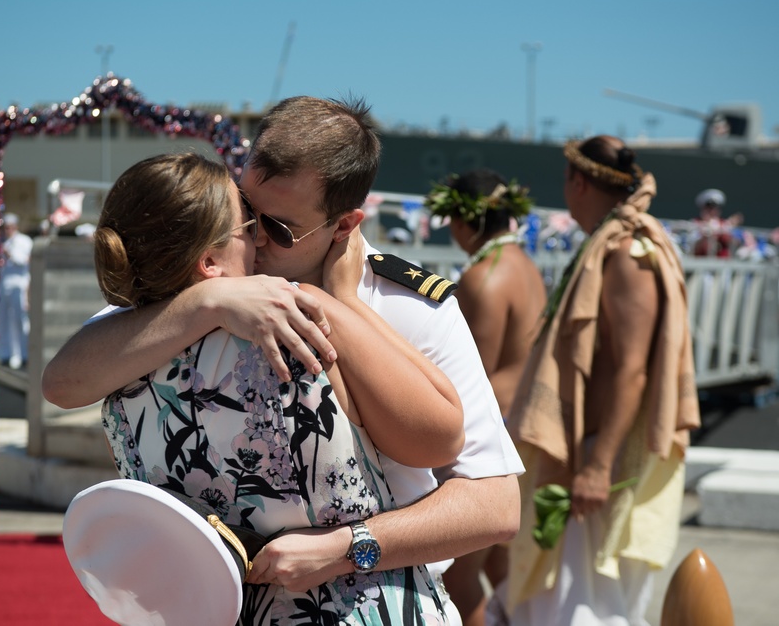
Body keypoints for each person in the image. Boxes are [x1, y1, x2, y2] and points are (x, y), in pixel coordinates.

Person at [42, 96, 524, 620]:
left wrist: (347, 549)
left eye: (280, 228)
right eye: (248, 212)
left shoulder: (408, 307)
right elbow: (65, 380)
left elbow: (494, 506)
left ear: (344, 226)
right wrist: (208, 301)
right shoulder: (186, 301)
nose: (255, 236)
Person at [92, 152, 465, 623]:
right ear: (209, 261)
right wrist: (343, 300)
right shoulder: (300, 323)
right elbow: (440, 436)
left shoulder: (115, 368)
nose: (261, 236)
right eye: (248, 223)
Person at [497, 136, 702, 625]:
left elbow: (634, 369)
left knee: (585, 606)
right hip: (586, 451)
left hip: (603, 459)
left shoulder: (629, 255)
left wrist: (597, 467)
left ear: (578, 181)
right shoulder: (609, 248)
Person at [425, 169, 547, 626]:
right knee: (496, 565)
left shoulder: (484, 277)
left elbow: (470, 382)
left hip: (493, 441)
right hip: (521, 430)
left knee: (458, 576)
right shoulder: (523, 264)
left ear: (462, 222)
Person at [0, 213, 32, 369]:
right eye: (5, 228)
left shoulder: (24, 241)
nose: (7, 230)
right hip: (4, 285)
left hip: (19, 284)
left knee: (20, 321)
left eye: (10, 227)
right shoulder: (1, 242)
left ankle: (24, 354)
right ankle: (6, 354)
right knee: (4, 321)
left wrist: (9, 253)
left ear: (15, 227)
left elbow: (23, 262)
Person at [691, 188, 742, 258]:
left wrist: (727, 228)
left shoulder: (724, 223)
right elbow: (693, 246)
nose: (712, 211)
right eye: (709, 208)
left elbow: (735, 242)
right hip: (700, 264)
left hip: (723, 264)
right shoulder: (695, 222)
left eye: (715, 208)